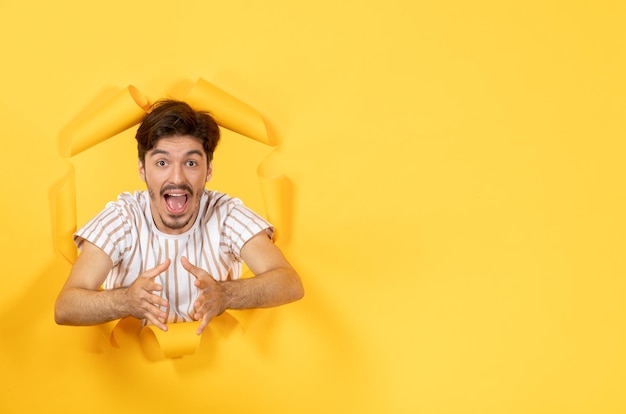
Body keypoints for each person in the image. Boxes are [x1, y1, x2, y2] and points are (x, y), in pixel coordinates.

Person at [54, 99, 304, 335]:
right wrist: (127, 301)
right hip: (129, 373)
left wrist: (226, 295)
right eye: (162, 163)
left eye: (191, 163)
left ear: (209, 170)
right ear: (142, 169)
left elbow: (288, 282)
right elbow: (65, 306)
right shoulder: (122, 217)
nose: (176, 178)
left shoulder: (226, 213)